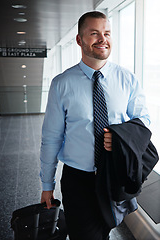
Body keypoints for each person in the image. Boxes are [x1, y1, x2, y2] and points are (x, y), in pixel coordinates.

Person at [40, 11, 150, 240]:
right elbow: (51, 137)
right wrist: (46, 184)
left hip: (115, 176)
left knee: (106, 231)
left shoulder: (127, 79)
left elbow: (145, 122)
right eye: (94, 33)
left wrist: (120, 135)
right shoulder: (62, 84)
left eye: (107, 33)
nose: (103, 39)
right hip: (79, 180)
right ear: (80, 40)